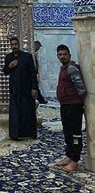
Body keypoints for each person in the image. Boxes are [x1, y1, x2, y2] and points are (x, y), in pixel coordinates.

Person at [55, 44, 86, 172]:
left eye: (64, 54)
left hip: (74, 106)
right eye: (60, 55)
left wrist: (77, 101)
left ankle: (74, 161)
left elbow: (81, 88)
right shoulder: (63, 68)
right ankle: (69, 156)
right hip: (65, 105)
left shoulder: (72, 69)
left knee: (75, 134)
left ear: (69, 55)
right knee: (67, 132)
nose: (62, 57)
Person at [3, 36, 38, 140]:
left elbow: (33, 73)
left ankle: (30, 133)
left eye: (15, 44)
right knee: (15, 112)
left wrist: (34, 88)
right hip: (15, 90)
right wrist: (10, 66)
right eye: (12, 45)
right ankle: (15, 134)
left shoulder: (27, 56)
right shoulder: (9, 57)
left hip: (26, 89)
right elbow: (5, 71)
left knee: (28, 111)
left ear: (19, 45)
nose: (14, 46)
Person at [34, 40, 48, 105]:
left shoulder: (35, 53)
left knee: (36, 87)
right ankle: (41, 100)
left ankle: (41, 99)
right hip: (32, 74)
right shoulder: (32, 53)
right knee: (36, 88)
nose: (38, 49)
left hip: (34, 74)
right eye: (38, 47)